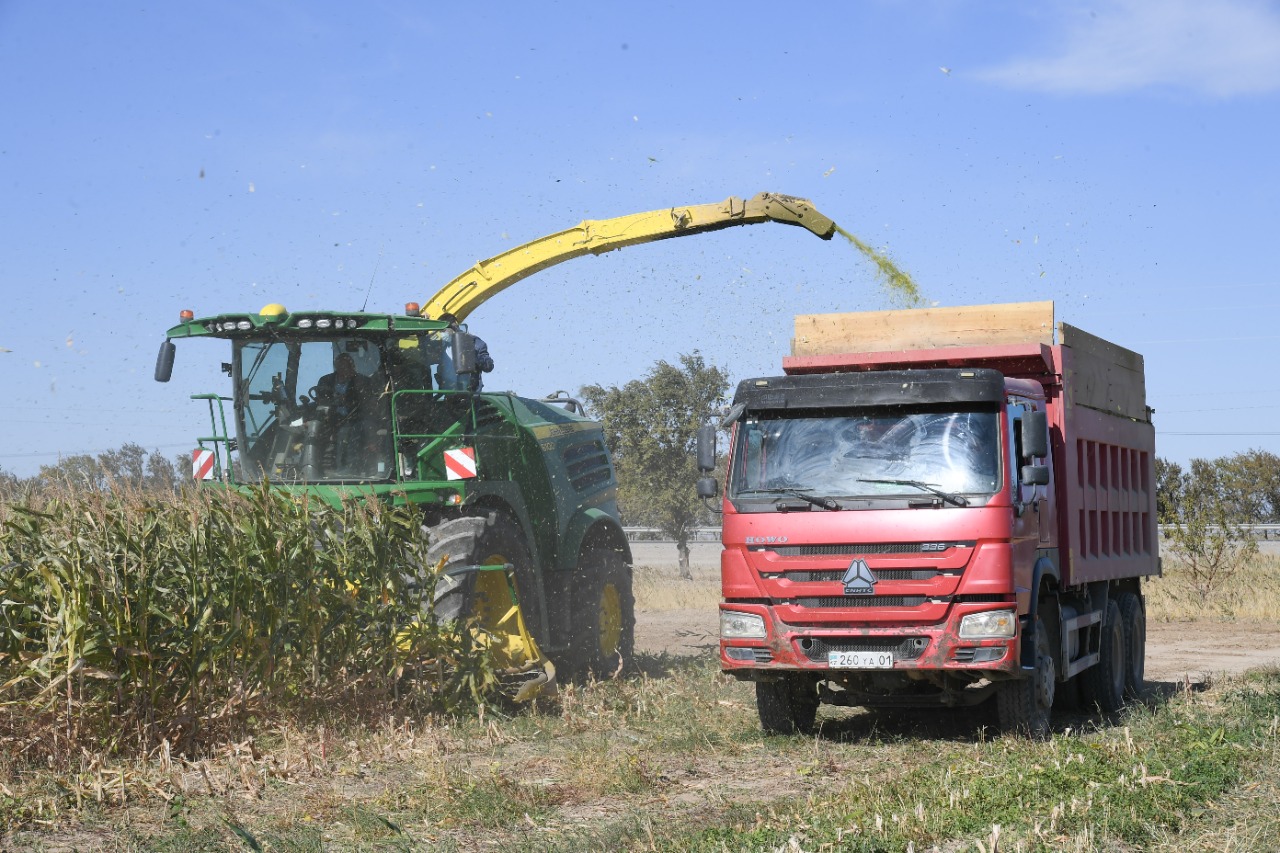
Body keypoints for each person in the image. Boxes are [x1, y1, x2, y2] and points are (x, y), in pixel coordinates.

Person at [438, 312, 494, 391]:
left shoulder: (473, 342)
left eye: (444, 330)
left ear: (454, 328)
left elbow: (488, 366)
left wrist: (471, 357)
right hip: (445, 394)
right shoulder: (439, 345)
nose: (442, 334)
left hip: (470, 394)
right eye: (440, 331)